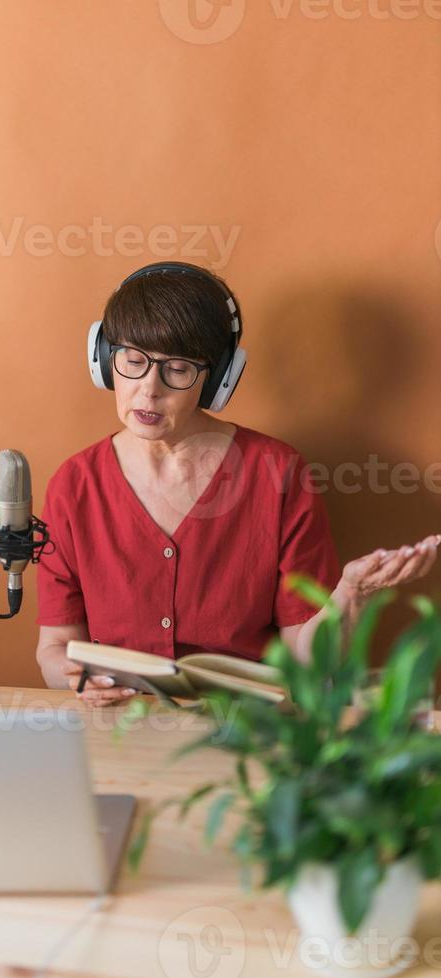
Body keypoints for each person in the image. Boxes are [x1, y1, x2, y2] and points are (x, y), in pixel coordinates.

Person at [35, 262, 439, 708]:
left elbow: (311, 666)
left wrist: (352, 594)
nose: (149, 390)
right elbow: (54, 649)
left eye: (178, 369)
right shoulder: (73, 485)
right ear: (104, 359)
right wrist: (74, 679)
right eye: (133, 361)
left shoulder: (278, 473)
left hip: (248, 734)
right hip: (120, 730)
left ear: (218, 378)